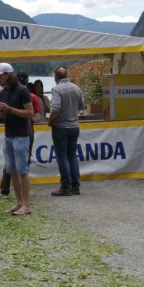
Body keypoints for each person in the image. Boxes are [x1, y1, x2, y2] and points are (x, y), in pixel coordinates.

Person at [0, 62, 34, 216]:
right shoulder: (4, 92)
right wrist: (0, 114)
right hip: (9, 135)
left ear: (8, 75)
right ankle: (19, 202)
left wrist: (9, 109)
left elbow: (30, 113)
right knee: (12, 171)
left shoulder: (22, 90)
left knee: (23, 171)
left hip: (21, 136)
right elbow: (0, 116)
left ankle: (26, 205)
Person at [48, 66, 84, 197]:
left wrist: (50, 119)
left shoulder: (57, 89)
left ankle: (65, 186)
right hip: (74, 126)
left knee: (62, 157)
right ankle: (75, 186)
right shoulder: (76, 88)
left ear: (56, 77)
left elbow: (55, 108)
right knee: (72, 155)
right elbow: (81, 105)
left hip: (61, 127)